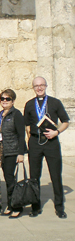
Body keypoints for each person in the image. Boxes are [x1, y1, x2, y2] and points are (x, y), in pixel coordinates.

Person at [24, 76, 69, 218]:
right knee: (34, 177)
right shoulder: (29, 104)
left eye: (42, 85)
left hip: (51, 143)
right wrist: (30, 139)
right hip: (36, 143)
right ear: (33, 88)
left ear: (46, 86)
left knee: (55, 176)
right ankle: (35, 207)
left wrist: (56, 132)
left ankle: (59, 207)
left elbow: (66, 121)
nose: (39, 88)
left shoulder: (55, 103)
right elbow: (27, 124)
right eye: (36, 86)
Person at [0, 89, 26, 218]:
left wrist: (21, 153)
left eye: (7, 99)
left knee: (10, 179)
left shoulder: (16, 114)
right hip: (1, 151)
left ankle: (16, 206)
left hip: (12, 151)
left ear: (13, 101)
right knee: (8, 179)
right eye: (2, 98)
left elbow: (21, 135)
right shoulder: (0, 114)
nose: (4, 101)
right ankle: (10, 204)